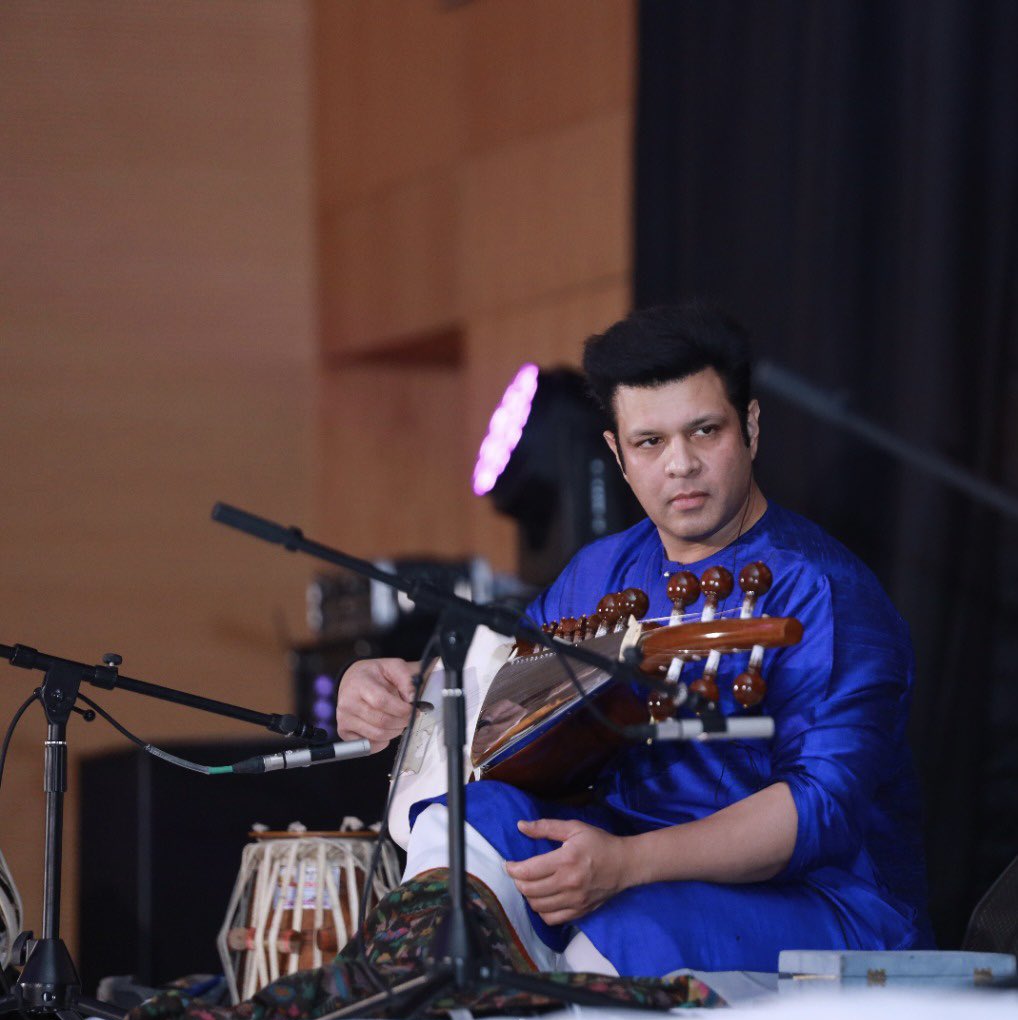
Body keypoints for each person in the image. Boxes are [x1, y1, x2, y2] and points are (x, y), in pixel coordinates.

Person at [335, 301, 934, 977]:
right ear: (618, 455)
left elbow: (821, 808)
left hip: (824, 904)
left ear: (752, 428)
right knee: (474, 814)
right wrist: (401, 688)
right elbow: (510, 692)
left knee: (623, 928)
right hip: (621, 863)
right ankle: (423, 997)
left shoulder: (821, 588)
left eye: (704, 431)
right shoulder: (601, 571)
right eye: (650, 442)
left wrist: (629, 864)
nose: (680, 465)